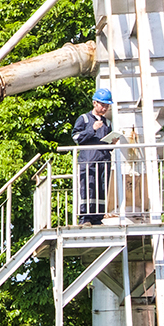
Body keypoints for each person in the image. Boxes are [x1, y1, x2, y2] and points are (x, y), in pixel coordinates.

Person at [73, 89, 114, 225]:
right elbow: (76, 137)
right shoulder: (84, 119)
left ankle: (98, 217)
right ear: (94, 103)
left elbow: (106, 144)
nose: (105, 108)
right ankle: (86, 217)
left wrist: (112, 143)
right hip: (88, 161)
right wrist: (92, 129)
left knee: (102, 189)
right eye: (102, 105)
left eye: (107, 106)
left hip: (103, 160)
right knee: (88, 187)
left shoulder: (108, 123)